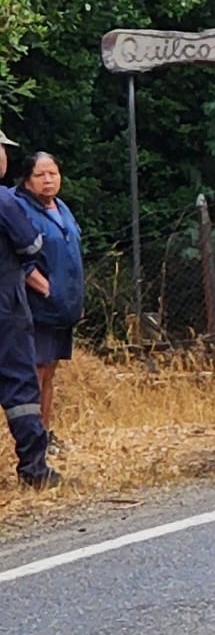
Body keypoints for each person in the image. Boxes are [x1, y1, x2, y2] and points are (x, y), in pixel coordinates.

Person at [13, 153, 83, 456]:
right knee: (37, 370)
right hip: (38, 306)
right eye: (41, 175)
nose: (48, 180)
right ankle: (34, 440)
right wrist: (47, 289)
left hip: (62, 307)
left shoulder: (61, 207)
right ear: (27, 179)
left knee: (50, 369)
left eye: (52, 173)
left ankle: (46, 431)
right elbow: (21, 259)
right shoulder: (20, 208)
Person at [0, 130, 57, 488]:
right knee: (21, 387)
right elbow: (31, 243)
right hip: (5, 305)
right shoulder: (4, 201)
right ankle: (34, 470)